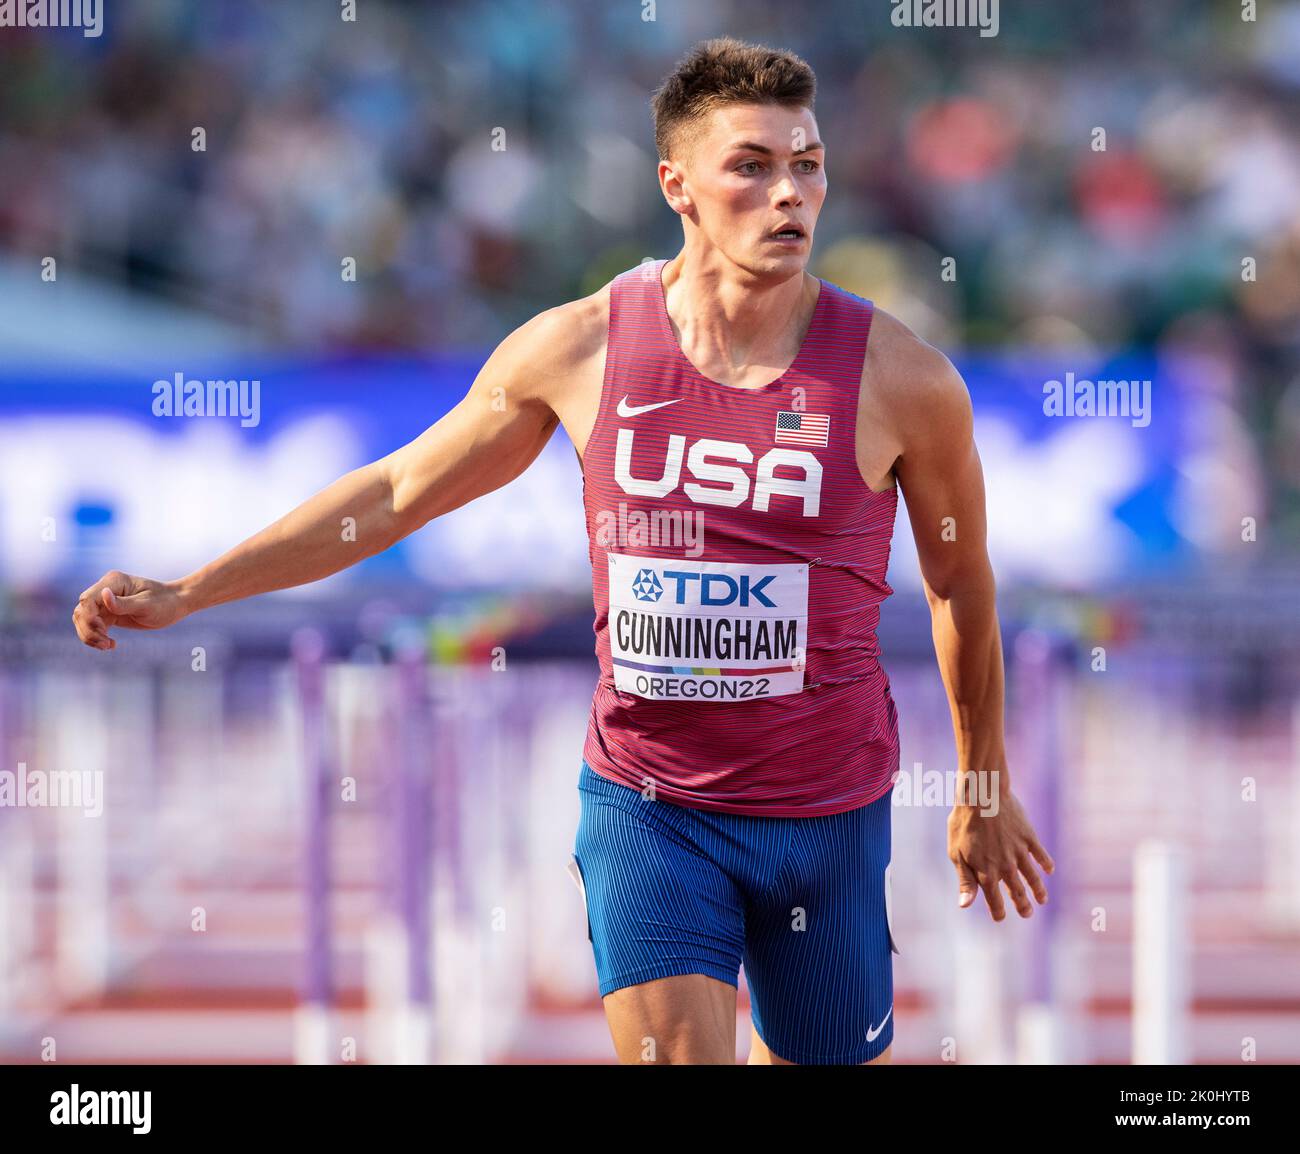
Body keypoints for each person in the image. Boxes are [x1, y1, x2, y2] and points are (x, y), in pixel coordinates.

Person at [72, 36, 1054, 1065]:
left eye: (805, 164)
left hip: (826, 809)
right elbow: (396, 492)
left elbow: (958, 584)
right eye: (751, 166)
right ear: (677, 185)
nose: (787, 195)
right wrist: (190, 591)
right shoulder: (580, 346)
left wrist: (982, 784)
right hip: (649, 802)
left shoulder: (902, 376)